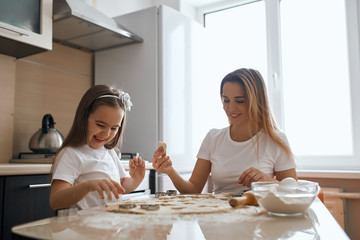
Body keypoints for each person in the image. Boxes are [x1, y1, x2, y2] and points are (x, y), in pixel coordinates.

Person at [152, 68, 297, 194]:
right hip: (219, 219)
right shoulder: (213, 138)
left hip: (258, 219)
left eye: (239, 101)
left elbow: (293, 192)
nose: (230, 108)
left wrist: (269, 183)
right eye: (226, 100)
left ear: (256, 101)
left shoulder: (275, 140)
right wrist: (170, 171)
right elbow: (193, 189)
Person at [50, 85, 145, 210]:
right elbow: (56, 200)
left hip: (111, 226)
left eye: (114, 128)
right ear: (84, 117)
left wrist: (136, 179)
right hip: (83, 228)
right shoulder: (72, 154)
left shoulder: (109, 152)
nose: (106, 134)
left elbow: (121, 187)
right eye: (100, 125)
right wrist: (88, 186)